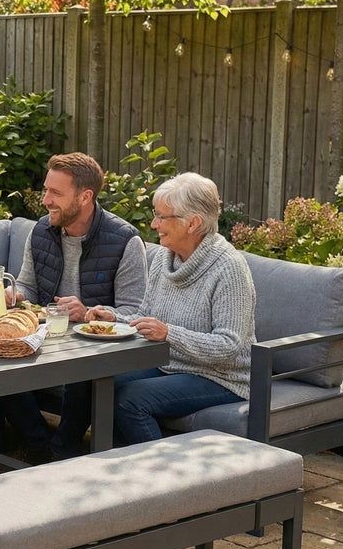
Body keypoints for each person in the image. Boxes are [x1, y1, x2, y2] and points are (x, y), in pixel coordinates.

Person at [0, 152, 147, 461]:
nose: (45, 200)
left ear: (85, 196)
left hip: (96, 350)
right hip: (48, 339)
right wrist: (13, 294)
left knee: (84, 375)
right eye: (46, 190)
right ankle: (39, 446)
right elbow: (28, 286)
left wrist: (88, 313)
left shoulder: (125, 241)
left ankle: (62, 451)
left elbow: (135, 312)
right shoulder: (41, 231)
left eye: (56, 193)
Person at [91, 172, 255, 445]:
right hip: (169, 365)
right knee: (102, 383)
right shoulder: (164, 258)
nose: (153, 224)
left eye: (161, 217)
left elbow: (229, 345)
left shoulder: (229, 268)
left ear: (193, 223)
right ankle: (117, 462)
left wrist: (169, 334)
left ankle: (162, 470)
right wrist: (113, 317)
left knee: (130, 400)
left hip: (222, 377)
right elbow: (147, 317)